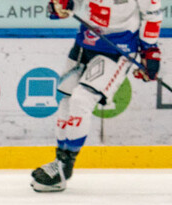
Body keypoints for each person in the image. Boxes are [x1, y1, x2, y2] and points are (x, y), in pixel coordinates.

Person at [31, 0, 163, 192]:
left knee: (81, 100)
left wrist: (150, 50)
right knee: (67, 101)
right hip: (84, 44)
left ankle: (64, 167)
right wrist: (62, 6)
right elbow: (72, 4)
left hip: (117, 50)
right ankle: (59, 163)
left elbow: (152, 14)